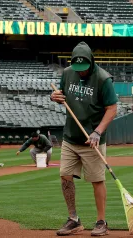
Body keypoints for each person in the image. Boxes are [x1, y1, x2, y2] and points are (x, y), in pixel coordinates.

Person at [50, 41, 118, 237]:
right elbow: (60, 95)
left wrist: (97, 132)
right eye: (77, 68)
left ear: (92, 62)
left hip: (92, 139)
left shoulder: (103, 79)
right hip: (71, 136)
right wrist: (55, 96)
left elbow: (112, 109)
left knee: (96, 180)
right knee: (65, 176)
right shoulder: (68, 73)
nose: (81, 72)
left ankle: (101, 222)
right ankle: (73, 219)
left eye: (84, 68)